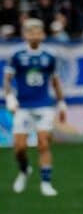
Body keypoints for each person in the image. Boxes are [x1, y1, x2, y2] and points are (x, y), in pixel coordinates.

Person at [4, 18, 66, 197]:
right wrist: (9, 97)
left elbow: (55, 81)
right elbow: (8, 79)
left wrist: (61, 103)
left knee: (44, 143)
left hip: (44, 105)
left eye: (37, 31)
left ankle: (46, 183)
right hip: (23, 106)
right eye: (30, 32)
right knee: (19, 147)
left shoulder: (49, 56)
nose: (34, 35)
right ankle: (24, 170)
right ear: (24, 34)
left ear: (43, 34)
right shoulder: (17, 56)